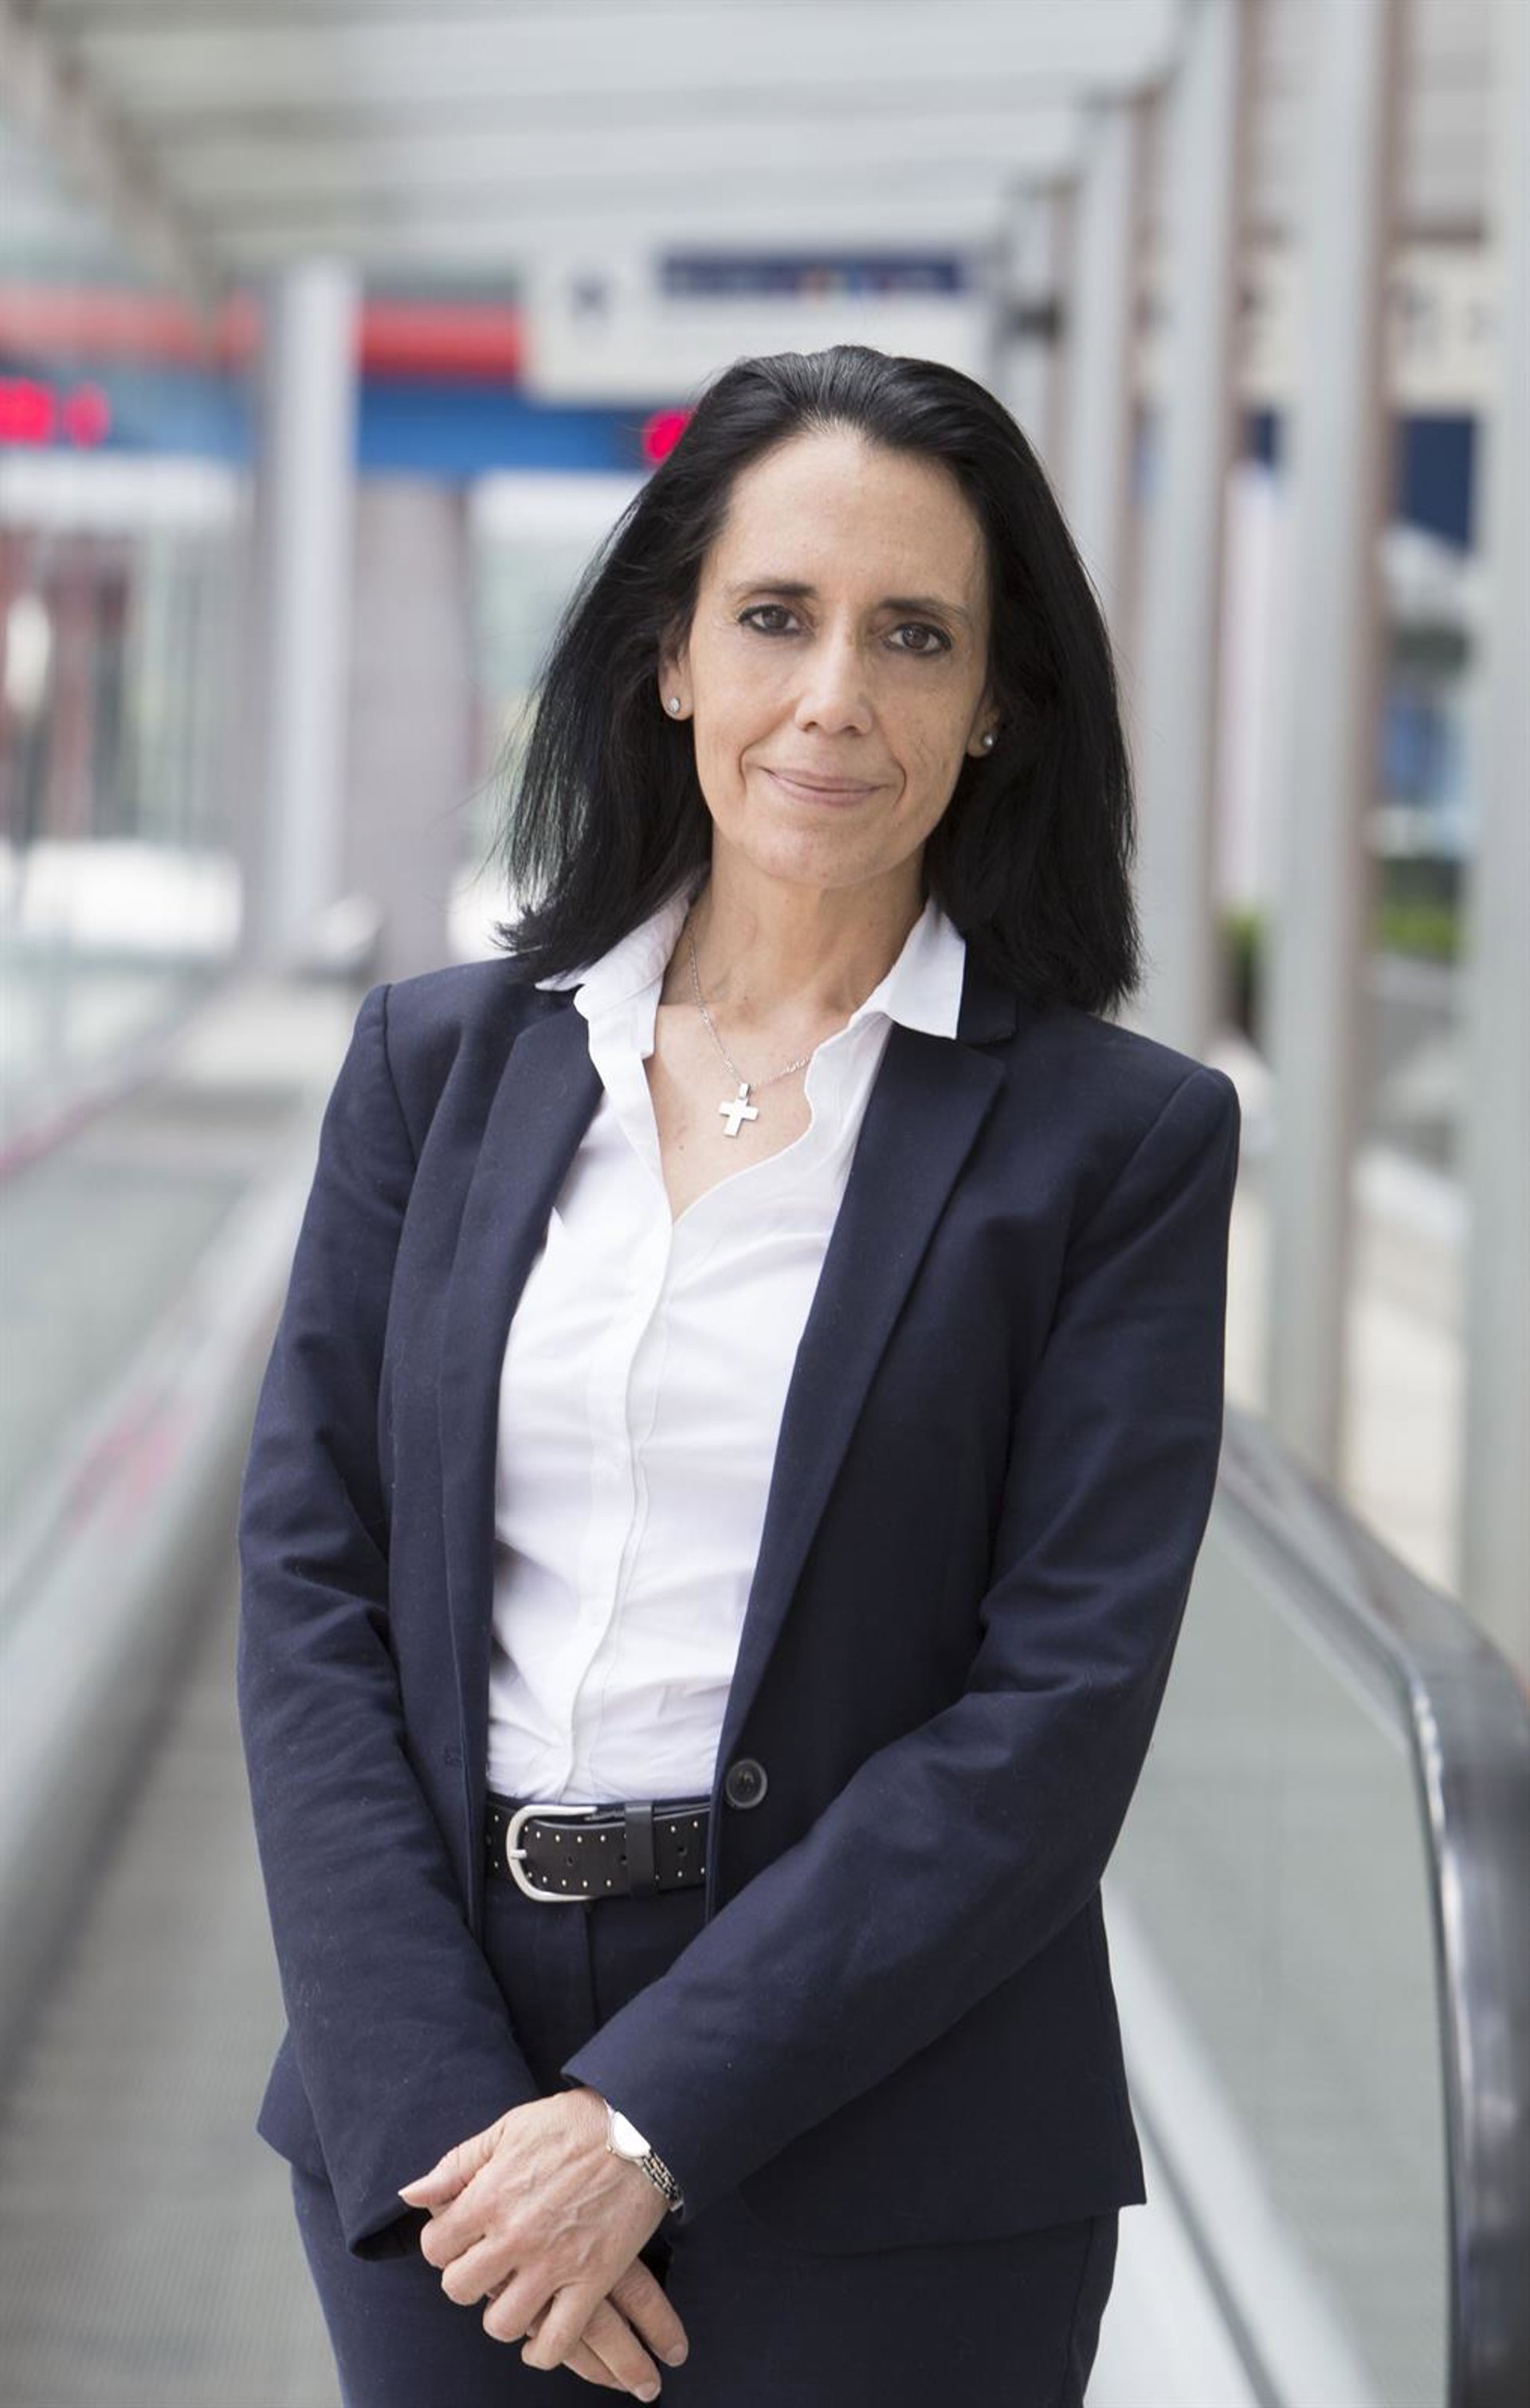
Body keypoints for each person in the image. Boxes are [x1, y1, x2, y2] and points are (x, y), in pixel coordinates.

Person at [237, 341, 1242, 2406]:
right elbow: (309, 1594)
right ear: (673, 656)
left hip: (897, 2141)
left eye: (916, 635)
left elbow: (1054, 1718)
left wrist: (642, 2125)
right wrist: (451, 2110)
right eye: (776, 616)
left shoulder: (1119, 1146)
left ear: (999, 701)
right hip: (443, 2117)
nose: (835, 696)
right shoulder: (434, 1069)